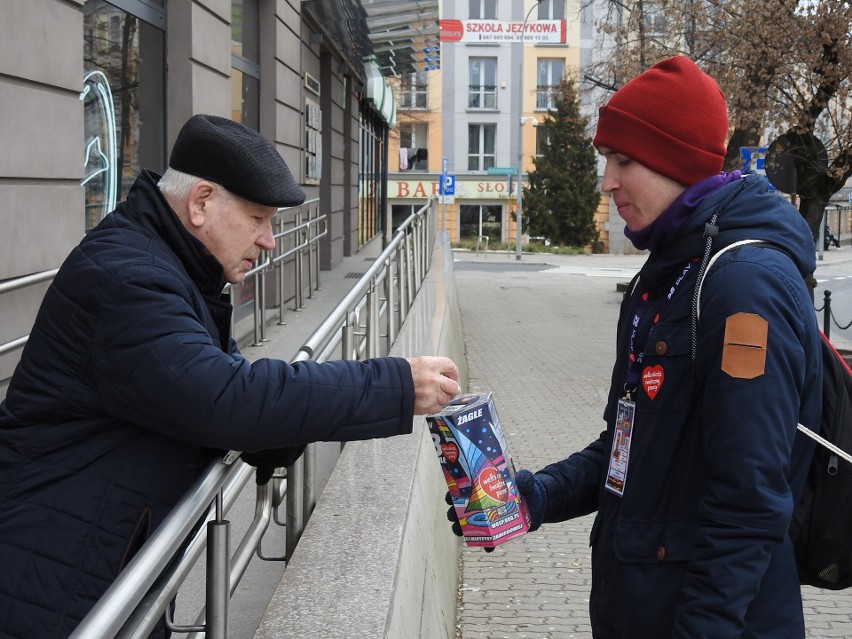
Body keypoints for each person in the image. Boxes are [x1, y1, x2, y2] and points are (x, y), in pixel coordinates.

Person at [0, 114, 460, 638]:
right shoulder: (129, 279)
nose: (268, 240)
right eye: (258, 218)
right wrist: (395, 385)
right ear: (200, 203)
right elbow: (223, 399)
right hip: (49, 579)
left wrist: (270, 437)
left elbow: (196, 393)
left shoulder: (173, 267)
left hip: (91, 557)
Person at [507, 57, 823, 637]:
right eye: (606, 159)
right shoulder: (669, 273)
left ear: (676, 161)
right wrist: (534, 498)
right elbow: (628, 449)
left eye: (623, 160)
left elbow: (749, 503)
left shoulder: (743, 285)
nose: (606, 182)